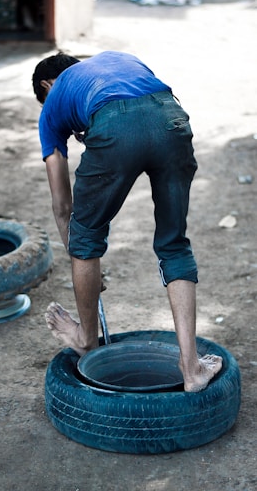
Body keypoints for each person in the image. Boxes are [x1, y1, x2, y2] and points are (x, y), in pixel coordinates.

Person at [32, 50, 222, 393]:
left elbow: (62, 206)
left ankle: (87, 339)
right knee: (174, 243)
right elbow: (147, 104)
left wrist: (82, 261)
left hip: (114, 124)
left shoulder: (53, 104)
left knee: (86, 238)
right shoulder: (115, 60)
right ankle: (192, 368)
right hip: (171, 116)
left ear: (48, 85)